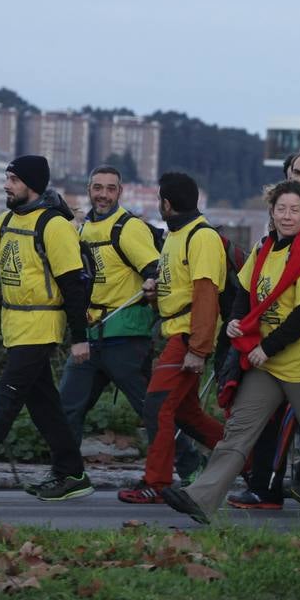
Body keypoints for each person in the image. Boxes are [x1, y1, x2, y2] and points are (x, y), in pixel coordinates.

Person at [163, 180, 300, 530]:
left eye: (295, 209)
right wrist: (235, 321)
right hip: (267, 363)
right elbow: (245, 291)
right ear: (272, 212)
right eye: (281, 209)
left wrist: (266, 347)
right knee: (238, 431)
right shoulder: (265, 248)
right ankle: (201, 498)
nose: (287, 216)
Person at [0, 155, 94, 501]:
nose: (6, 185)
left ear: (31, 185)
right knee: (44, 405)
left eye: (13, 179)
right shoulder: (3, 222)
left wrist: (80, 339)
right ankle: (72, 473)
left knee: (5, 402)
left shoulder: (55, 226)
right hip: (15, 327)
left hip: (42, 327)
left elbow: (73, 284)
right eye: (7, 178)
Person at [58, 166, 202, 483]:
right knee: (66, 408)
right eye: (98, 187)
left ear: (120, 192)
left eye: (111, 188)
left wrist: (152, 282)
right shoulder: (81, 230)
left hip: (126, 339)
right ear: (88, 189)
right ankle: (68, 476)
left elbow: (155, 268)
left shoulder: (129, 228)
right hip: (92, 335)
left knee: (152, 410)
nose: (103, 194)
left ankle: (192, 467)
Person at [119, 172, 226, 504]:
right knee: (187, 414)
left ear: (166, 203)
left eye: (159, 200)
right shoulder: (176, 235)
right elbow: (179, 286)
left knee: (157, 407)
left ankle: (157, 482)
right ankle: (248, 459)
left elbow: (206, 293)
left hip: (187, 336)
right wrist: (155, 293)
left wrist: (198, 347)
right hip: (178, 332)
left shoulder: (201, 237)